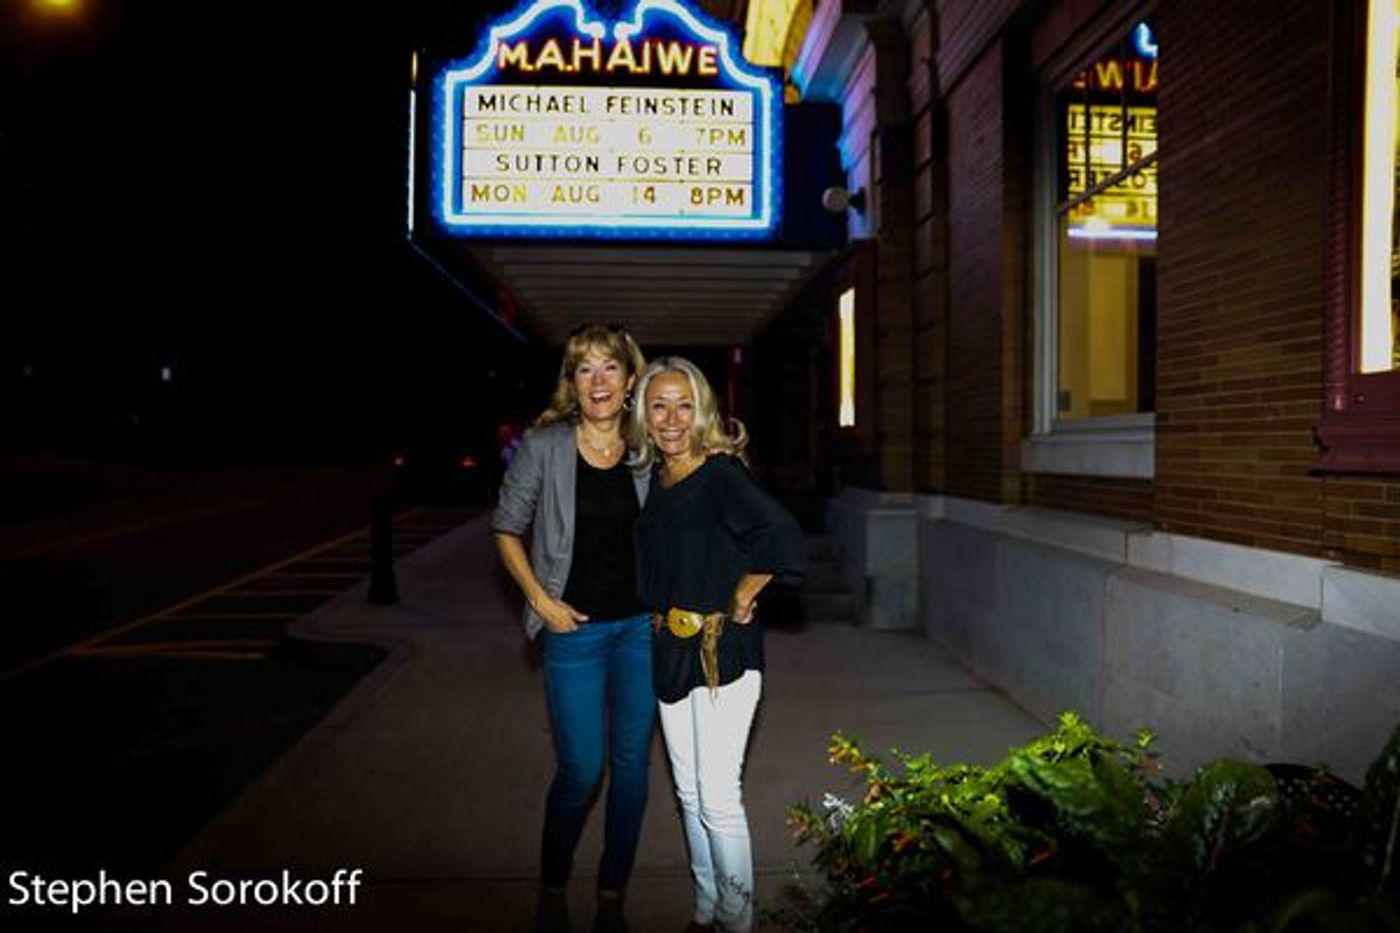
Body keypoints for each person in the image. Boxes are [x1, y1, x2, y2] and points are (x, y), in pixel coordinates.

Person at [629, 357, 806, 933]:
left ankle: (739, 920)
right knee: (687, 793)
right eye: (659, 405)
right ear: (645, 417)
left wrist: (742, 594)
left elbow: (779, 531)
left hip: (720, 652)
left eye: (684, 403)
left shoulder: (720, 473)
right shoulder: (658, 478)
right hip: (669, 650)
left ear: (702, 409)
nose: (672, 417)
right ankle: (707, 907)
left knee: (719, 796)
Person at [493, 324, 653, 933]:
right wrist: (541, 600)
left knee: (633, 767)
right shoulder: (545, 447)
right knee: (583, 769)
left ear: (630, 378)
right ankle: (553, 881)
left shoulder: (648, 448)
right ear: (572, 382)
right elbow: (506, 528)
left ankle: (613, 894)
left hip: (641, 628)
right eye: (584, 369)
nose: (598, 381)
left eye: (610, 368)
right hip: (575, 632)